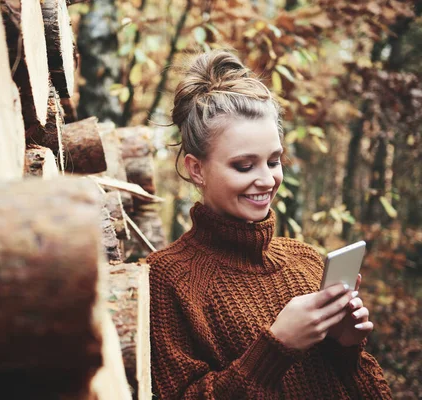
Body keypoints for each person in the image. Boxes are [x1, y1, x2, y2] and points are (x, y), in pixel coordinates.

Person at [147, 50, 392, 399]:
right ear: (196, 168)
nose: (266, 180)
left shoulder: (305, 260)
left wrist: (346, 346)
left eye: (273, 161)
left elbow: (359, 384)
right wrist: (276, 346)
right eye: (244, 166)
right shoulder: (167, 278)